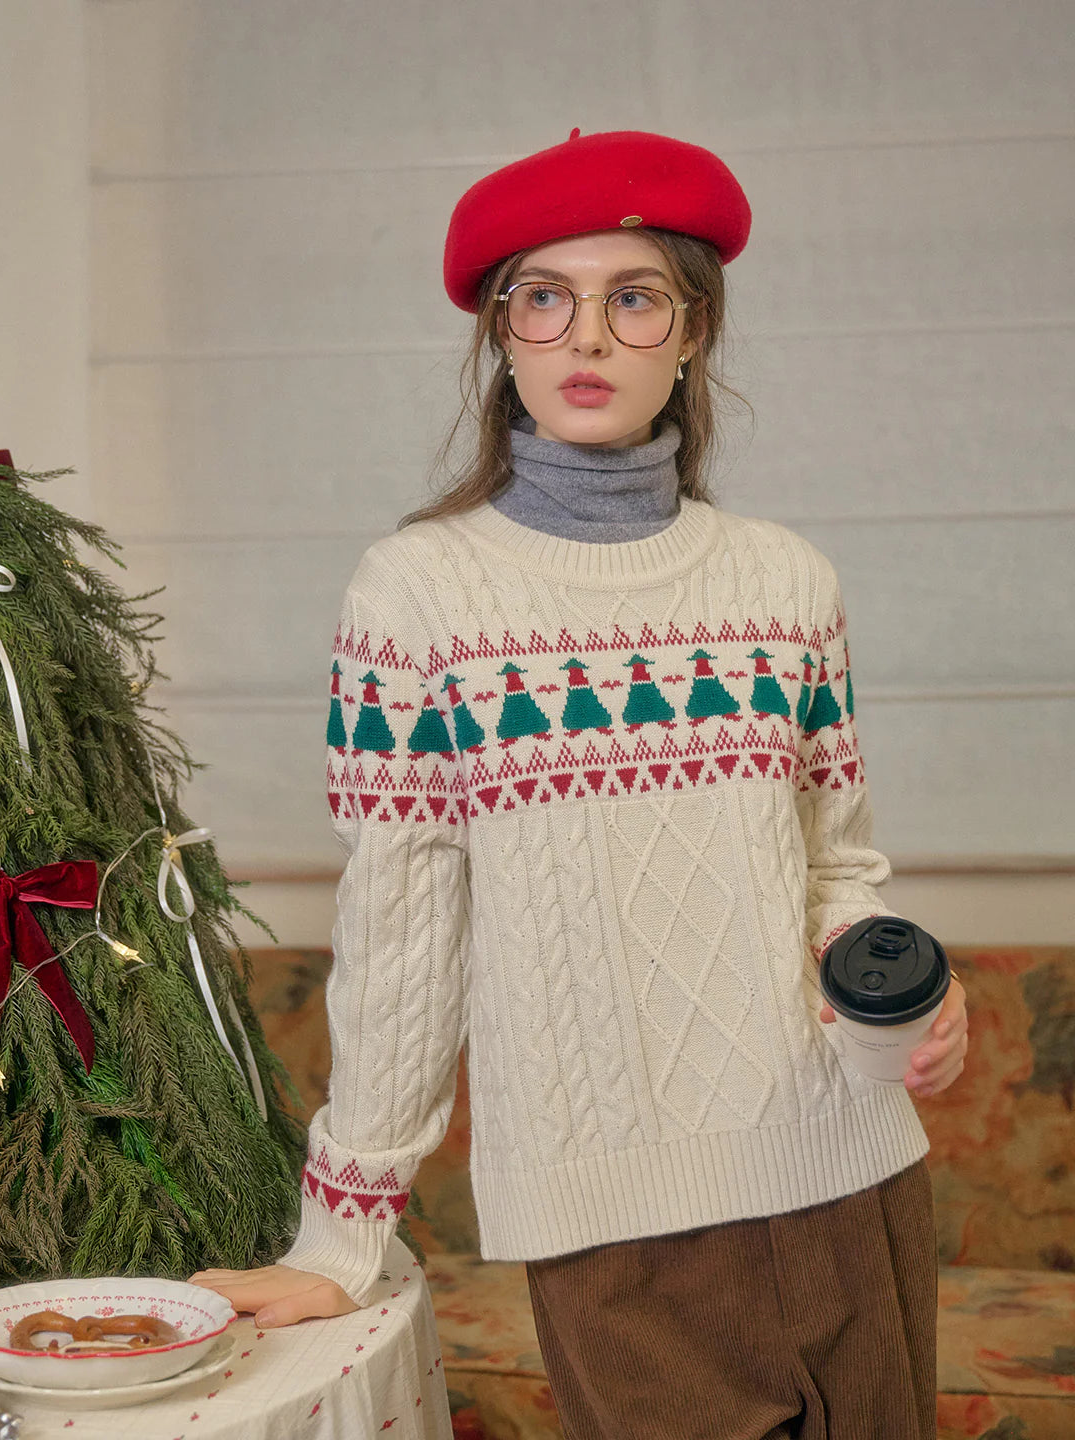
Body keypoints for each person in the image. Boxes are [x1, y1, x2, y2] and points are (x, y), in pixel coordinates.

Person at [191, 128, 969, 1439]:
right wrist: (340, 1236)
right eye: (544, 298)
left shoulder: (787, 583)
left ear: (694, 332)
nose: (588, 337)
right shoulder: (417, 598)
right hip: (612, 1223)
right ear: (502, 334)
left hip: (850, 1172)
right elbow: (401, 936)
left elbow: (835, 864)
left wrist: (896, 985)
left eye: (635, 298)